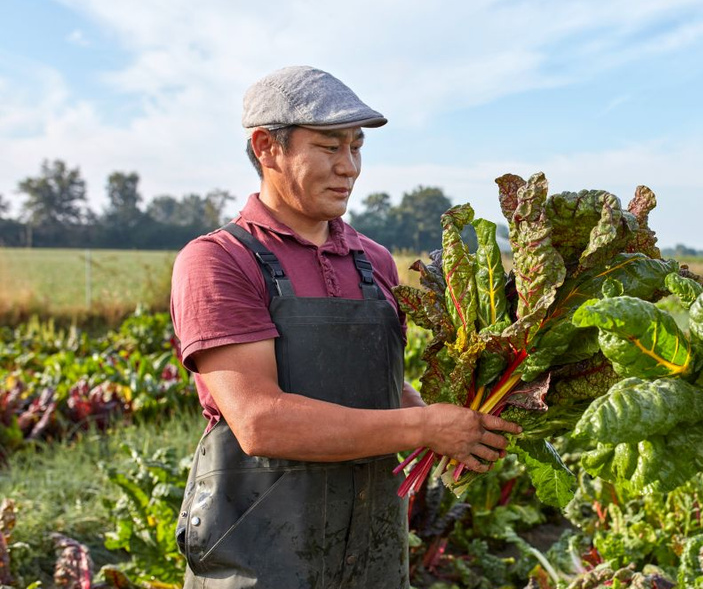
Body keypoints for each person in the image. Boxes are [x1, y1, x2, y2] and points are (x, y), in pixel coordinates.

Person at [169, 65, 521, 588]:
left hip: (373, 549)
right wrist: (424, 428)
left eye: (356, 147)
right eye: (329, 147)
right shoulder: (220, 260)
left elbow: (380, 387)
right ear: (267, 148)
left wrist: (450, 433)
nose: (350, 167)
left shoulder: (374, 261)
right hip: (259, 552)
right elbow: (260, 421)